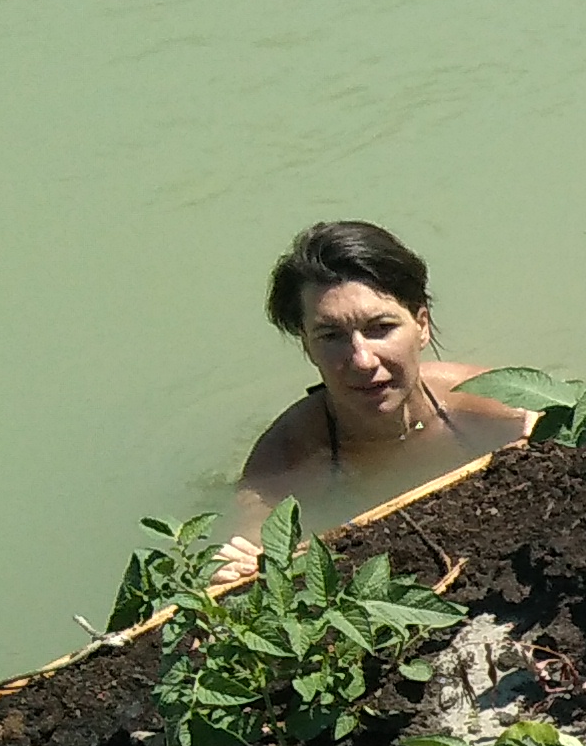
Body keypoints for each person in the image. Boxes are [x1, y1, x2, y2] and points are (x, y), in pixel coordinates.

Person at [228, 221, 534, 561]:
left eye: (381, 328)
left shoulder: (491, 402)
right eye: (331, 336)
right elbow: (251, 548)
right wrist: (238, 567)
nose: (362, 360)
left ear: (421, 326)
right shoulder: (284, 460)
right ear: (307, 346)